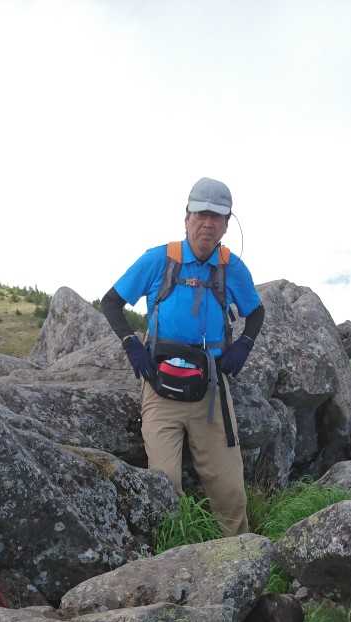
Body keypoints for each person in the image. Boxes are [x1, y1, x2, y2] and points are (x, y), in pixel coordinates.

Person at [100, 177, 266, 536]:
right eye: (201, 214)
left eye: (216, 217)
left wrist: (244, 345)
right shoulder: (160, 260)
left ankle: (238, 554)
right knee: (165, 485)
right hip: (160, 386)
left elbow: (256, 312)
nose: (208, 223)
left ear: (227, 223)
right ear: (186, 217)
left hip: (211, 389)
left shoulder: (231, 267)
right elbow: (111, 302)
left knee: (230, 491)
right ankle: (172, 554)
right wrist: (131, 344)